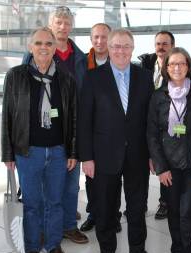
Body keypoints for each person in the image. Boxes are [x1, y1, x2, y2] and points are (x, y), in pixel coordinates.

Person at [78, 28, 154, 253]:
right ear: (108, 49)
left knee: (137, 204)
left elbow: (150, 121)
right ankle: (106, 250)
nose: (121, 50)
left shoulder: (144, 76)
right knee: (105, 205)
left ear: (132, 49)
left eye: (125, 46)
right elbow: (84, 121)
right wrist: (86, 157)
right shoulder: (93, 78)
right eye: (116, 46)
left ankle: (138, 248)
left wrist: (153, 155)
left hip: (137, 155)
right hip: (103, 156)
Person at [1, 27, 77, 253]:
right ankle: (33, 248)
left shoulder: (65, 79)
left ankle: (53, 245)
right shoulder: (15, 76)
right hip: (28, 151)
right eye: (39, 43)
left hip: (57, 151)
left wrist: (73, 151)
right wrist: (8, 153)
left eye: (48, 43)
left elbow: (73, 118)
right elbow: (7, 117)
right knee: (32, 203)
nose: (44, 47)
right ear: (30, 47)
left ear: (55, 48)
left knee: (55, 201)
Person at [23, 6, 88, 244]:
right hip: (40, 132)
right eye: (58, 22)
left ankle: (69, 225)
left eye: (66, 23)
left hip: (70, 130)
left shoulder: (80, 57)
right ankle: (40, 228)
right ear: (51, 25)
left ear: (71, 26)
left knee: (71, 183)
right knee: (41, 186)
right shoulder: (33, 54)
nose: (62, 27)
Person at [147, 47, 191, 253]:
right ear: (166, 68)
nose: (177, 68)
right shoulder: (159, 96)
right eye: (172, 64)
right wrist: (161, 167)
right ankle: (176, 252)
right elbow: (151, 133)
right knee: (173, 211)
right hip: (168, 166)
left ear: (188, 66)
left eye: (181, 63)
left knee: (187, 210)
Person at [80, 23, 123, 234]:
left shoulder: (120, 63)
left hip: (115, 136)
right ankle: (94, 214)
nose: (100, 41)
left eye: (104, 37)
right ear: (91, 39)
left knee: (114, 180)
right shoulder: (82, 63)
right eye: (96, 37)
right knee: (92, 178)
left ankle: (113, 215)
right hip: (93, 131)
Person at [139, 30, 176, 220]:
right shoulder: (146, 64)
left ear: (172, 46)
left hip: (166, 123)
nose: (161, 47)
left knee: (164, 162)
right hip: (145, 121)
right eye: (158, 44)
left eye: (165, 44)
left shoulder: (176, 67)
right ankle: (140, 204)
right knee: (141, 165)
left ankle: (165, 203)